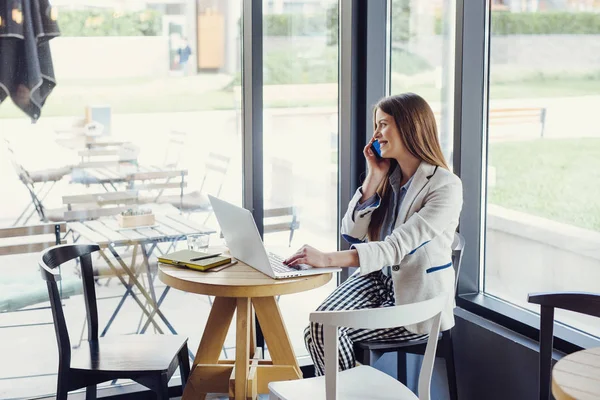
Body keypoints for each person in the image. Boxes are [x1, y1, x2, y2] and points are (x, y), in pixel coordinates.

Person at [283, 92, 463, 376]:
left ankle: (338, 394)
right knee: (320, 327)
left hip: (418, 302)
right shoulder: (388, 177)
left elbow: (396, 247)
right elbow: (351, 233)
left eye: (383, 124)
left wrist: (327, 259)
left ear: (410, 126)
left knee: (320, 331)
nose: (376, 133)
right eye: (376, 125)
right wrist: (374, 177)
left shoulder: (445, 186)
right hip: (377, 281)